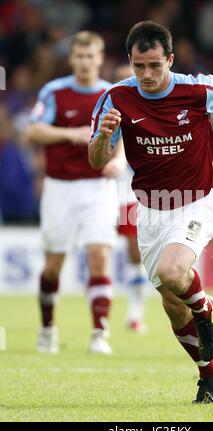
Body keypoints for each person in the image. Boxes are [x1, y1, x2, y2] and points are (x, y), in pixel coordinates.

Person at [88, 21, 213, 403]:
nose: (146, 75)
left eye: (155, 66)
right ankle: (210, 372)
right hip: (150, 210)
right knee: (173, 305)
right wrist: (102, 137)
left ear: (170, 60)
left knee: (173, 272)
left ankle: (205, 307)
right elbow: (96, 161)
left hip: (197, 199)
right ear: (129, 61)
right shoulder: (114, 98)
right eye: (139, 66)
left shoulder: (196, 88)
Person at [26, 31, 125, 355]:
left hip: (98, 187)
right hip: (60, 187)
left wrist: (120, 160)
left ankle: (100, 333)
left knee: (99, 255)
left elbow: (127, 132)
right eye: (79, 57)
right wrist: (72, 134)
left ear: (100, 59)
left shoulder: (112, 94)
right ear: (72, 60)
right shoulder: (55, 92)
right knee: (53, 263)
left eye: (90, 57)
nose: (84, 63)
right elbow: (33, 130)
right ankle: (47, 328)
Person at [114, 64, 148, 334]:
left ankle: (135, 313)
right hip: (96, 188)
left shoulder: (148, 107)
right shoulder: (102, 106)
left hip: (129, 189)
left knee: (134, 251)